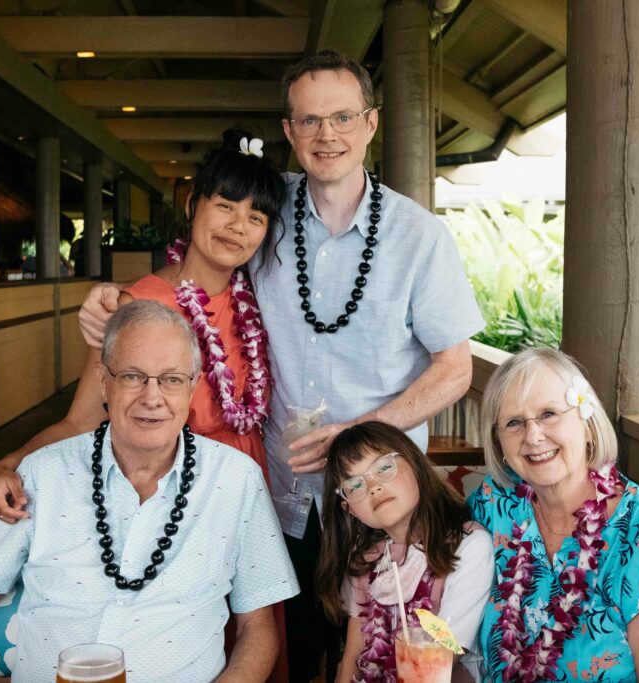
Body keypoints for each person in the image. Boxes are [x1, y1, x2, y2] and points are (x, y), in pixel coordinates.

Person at [73, 50, 485, 679]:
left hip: (379, 502)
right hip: (276, 495)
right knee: (275, 651)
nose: (328, 136)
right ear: (289, 132)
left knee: (383, 660)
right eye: (311, 121)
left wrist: (359, 435)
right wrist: (117, 299)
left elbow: (455, 369)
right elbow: (198, 264)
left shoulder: (419, 235)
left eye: (343, 118)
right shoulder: (263, 211)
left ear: (371, 124)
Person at [0, 128, 291, 681]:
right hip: (168, 503)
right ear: (194, 204)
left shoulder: (256, 297)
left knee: (252, 640)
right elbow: (81, 419)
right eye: (224, 206)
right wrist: (9, 463)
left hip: (238, 498)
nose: (237, 227)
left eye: (256, 217)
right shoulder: (141, 304)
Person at [0, 300, 299, 683]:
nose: (153, 398)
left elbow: (258, 629)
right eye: (133, 376)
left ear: (191, 386)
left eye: (170, 379)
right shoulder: (43, 472)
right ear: (103, 381)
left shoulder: (236, 479)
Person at [468, 348, 639, 681]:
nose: (533, 435)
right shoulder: (496, 504)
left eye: (549, 414)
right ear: (498, 441)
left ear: (587, 423)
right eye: (514, 422)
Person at [316, 421, 493, 682]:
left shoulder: (469, 546)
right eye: (355, 485)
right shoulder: (365, 560)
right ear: (350, 509)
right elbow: (353, 657)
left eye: (384, 467)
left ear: (415, 463)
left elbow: (442, 655)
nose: (373, 487)